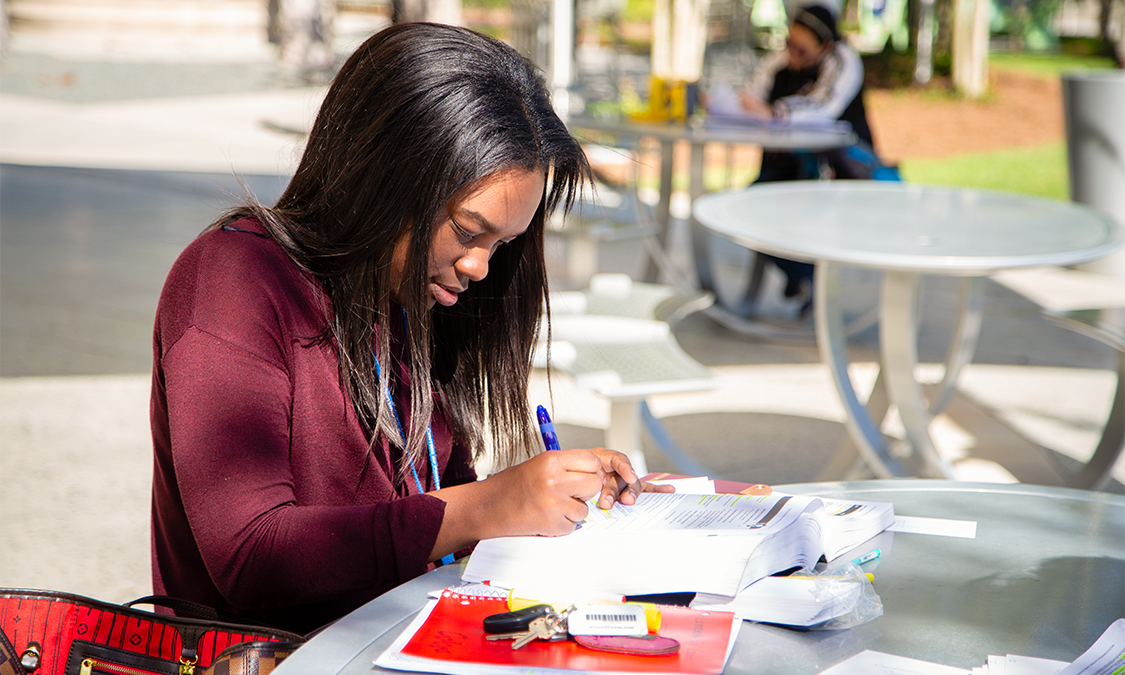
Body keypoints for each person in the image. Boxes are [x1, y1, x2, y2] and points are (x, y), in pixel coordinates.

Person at [149, 22, 671, 635]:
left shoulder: (415, 296)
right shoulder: (233, 280)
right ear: (387, 177)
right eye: (468, 231)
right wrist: (490, 505)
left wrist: (541, 507)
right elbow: (250, 554)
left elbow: (439, 506)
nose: (479, 267)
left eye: (502, 245)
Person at [739, 4, 886, 310]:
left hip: (834, 172)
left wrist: (777, 112)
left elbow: (825, 106)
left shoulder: (843, 60)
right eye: (789, 44)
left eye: (802, 51)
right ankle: (803, 278)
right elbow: (751, 93)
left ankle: (807, 280)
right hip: (786, 164)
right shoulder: (783, 59)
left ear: (825, 46)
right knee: (746, 210)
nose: (792, 54)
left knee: (781, 211)